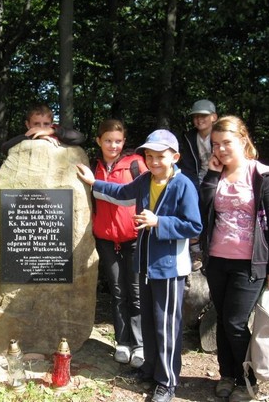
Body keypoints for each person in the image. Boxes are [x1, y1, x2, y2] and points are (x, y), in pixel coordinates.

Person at [77, 129, 202, 402]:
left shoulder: (184, 186)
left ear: (175, 157)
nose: (154, 161)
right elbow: (121, 192)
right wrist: (94, 182)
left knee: (166, 325)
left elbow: (194, 225)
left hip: (169, 267)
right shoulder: (146, 179)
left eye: (160, 156)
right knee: (148, 321)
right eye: (150, 156)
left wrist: (159, 222)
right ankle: (149, 369)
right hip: (145, 263)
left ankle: (167, 382)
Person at [199, 116, 269, 402]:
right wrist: (212, 176)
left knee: (235, 321)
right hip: (216, 259)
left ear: (242, 139)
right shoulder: (216, 174)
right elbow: (203, 210)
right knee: (223, 322)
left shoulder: (262, 175)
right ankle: (228, 374)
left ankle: (249, 380)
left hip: (250, 263)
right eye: (215, 144)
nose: (221, 149)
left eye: (227, 142)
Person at [90, 119, 147, 367]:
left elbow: (146, 193)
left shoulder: (135, 164)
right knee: (117, 292)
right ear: (99, 141)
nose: (113, 145)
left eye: (117, 141)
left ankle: (140, 344)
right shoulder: (94, 166)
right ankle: (122, 342)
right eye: (108, 140)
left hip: (133, 237)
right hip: (105, 238)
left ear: (123, 142)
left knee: (135, 292)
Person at [179, 99, 218, 271]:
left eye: (203, 116)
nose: (199, 120)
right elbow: (187, 166)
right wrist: (191, 188)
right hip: (196, 178)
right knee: (190, 208)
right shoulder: (189, 137)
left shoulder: (221, 134)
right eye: (195, 117)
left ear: (214, 117)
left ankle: (212, 252)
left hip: (219, 177)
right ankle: (195, 251)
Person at [1, 103, 85, 153]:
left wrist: (53, 131)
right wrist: (33, 136)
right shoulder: (26, 137)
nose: (41, 128)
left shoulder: (57, 135)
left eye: (46, 124)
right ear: (28, 125)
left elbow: (81, 138)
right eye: (36, 124)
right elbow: (5, 148)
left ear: (52, 124)